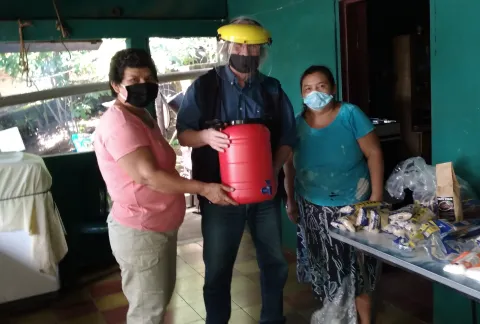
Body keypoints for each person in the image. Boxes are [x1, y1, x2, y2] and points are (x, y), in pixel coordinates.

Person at [93, 48, 236, 324]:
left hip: (157, 228)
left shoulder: (141, 115)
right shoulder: (120, 124)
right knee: (148, 311)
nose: (142, 85)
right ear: (115, 85)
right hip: (140, 230)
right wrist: (205, 188)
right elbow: (149, 176)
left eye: (148, 77)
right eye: (133, 80)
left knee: (157, 303)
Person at [176, 18, 296, 324]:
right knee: (217, 269)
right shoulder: (204, 88)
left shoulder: (271, 90)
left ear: (260, 50)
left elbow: (287, 140)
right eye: (240, 44)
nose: (246, 51)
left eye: (252, 45)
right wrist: (204, 137)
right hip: (219, 195)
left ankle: (272, 319)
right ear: (228, 46)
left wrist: (270, 169)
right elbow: (184, 134)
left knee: (274, 263)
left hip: (264, 197)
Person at [283, 65, 384, 324]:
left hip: (354, 206)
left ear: (333, 89)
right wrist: (291, 200)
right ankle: (338, 316)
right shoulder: (296, 124)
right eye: (308, 89)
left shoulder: (350, 114)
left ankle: (364, 320)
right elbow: (289, 164)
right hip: (313, 207)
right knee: (328, 269)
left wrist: (376, 195)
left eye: (321, 86)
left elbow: (374, 153)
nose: (314, 93)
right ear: (302, 95)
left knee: (359, 270)